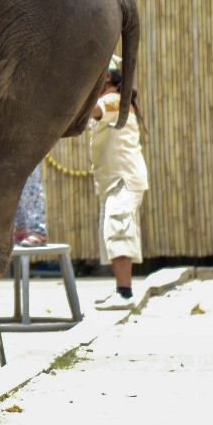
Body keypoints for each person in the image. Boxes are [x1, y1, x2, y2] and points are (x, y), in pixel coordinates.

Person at [84, 58, 149, 310]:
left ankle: (125, 293)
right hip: (115, 181)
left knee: (118, 231)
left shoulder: (112, 101)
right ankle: (121, 290)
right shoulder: (113, 102)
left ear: (107, 78)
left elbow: (84, 111)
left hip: (123, 179)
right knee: (112, 234)